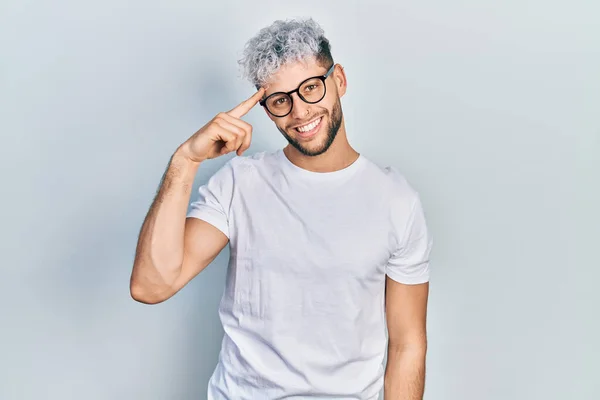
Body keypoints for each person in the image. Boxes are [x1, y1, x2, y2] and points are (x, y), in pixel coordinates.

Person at [130, 18, 433, 400]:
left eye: (310, 88)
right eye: (280, 100)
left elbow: (408, 344)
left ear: (338, 80)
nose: (300, 112)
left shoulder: (396, 200)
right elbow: (151, 285)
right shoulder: (239, 183)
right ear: (267, 108)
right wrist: (185, 161)